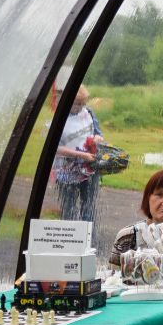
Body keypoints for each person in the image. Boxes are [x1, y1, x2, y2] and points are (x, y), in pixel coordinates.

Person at [52, 83, 105, 231]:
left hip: (90, 170)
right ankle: (69, 240)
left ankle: (89, 241)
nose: (81, 107)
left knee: (89, 209)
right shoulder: (59, 119)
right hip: (66, 173)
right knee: (68, 210)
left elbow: (98, 133)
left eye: (83, 103)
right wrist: (81, 155)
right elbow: (55, 148)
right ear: (67, 101)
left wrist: (98, 139)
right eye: (77, 104)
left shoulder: (88, 112)